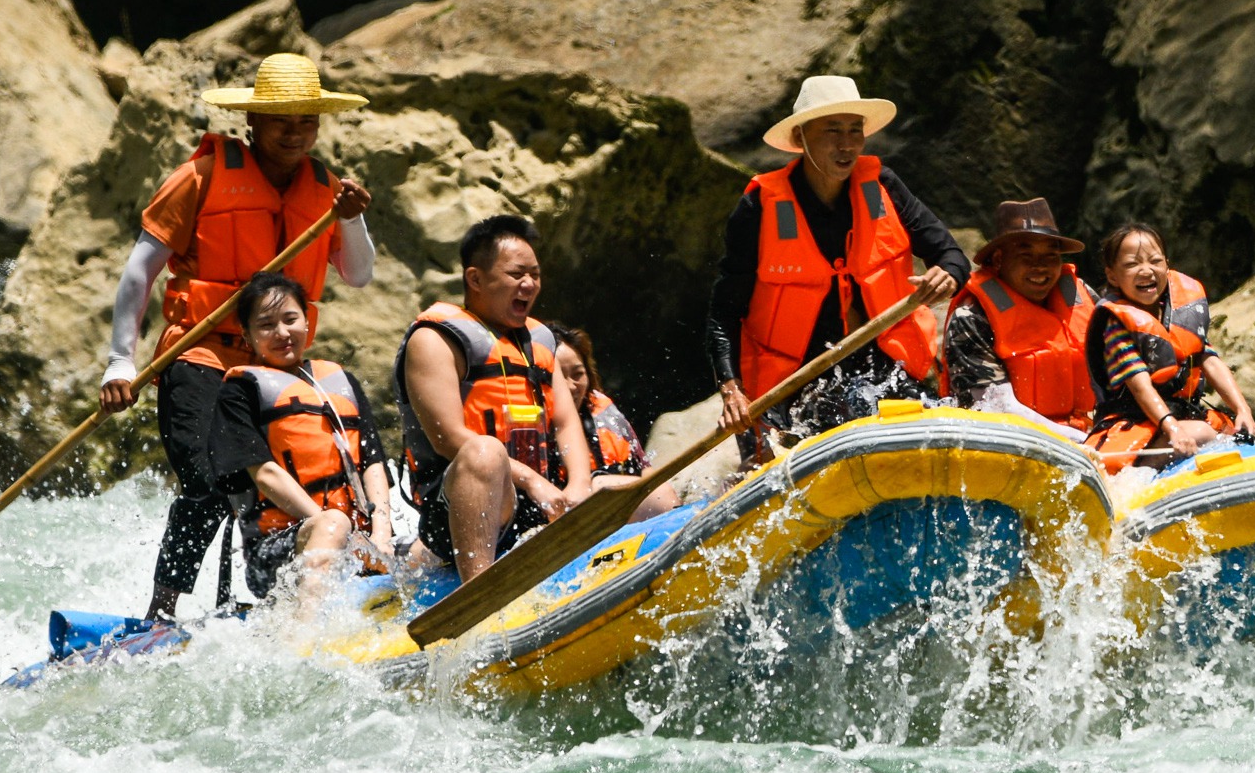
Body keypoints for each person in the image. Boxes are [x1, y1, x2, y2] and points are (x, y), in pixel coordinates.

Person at [99, 51, 374, 622]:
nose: (295, 133)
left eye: (306, 121)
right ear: (252, 122)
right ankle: (161, 613)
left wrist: (350, 218)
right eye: (281, 120)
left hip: (274, 364)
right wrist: (120, 361)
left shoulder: (327, 190)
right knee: (208, 482)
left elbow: (359, 273)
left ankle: (278, 601)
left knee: (282, 483)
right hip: (199, 355)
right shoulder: (201, 176)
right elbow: (138, 271)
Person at [708, 73, 966, 449]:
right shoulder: (757, 208)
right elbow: (723, 313)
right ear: (800, 138)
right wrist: (731, 390)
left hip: (880, 372)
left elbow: (952, 255)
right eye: (832, 131)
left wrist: (947, 276)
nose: (847, 145)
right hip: (789, 387)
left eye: (854, 130)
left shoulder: (884, 186)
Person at [397, 214, 595, 578]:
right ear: (475, 278)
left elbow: (567, 423)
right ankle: (478, 590)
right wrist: (535, 483)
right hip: (458, 506)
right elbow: (449, 439)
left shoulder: (542, 341)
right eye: (517, 274)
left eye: (535, 275)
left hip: (536, 503)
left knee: (644, 494)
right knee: (485, 452)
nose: (530, 284)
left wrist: (579, 486)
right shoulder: (434, 339)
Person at [211, 272, 395, 611]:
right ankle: (305, 641)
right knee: (334, 522)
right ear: (247, 336)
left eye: (290, 320)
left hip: (360, 541)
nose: (282, 333)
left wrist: (381, 533)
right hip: (276, 551)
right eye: (266, 325)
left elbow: (373, 464)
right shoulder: (239, 392)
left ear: (307, 322)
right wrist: (337, 533)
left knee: (419, 552)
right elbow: (265, 474)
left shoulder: (341, 381)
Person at [1082, 221, 1255, 472]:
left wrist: (1243, 410)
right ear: (1112, 275)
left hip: (1181, 415)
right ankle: (1139, 477)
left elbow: (1208, 358)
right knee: (1201, 432)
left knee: (1248, 436)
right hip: (1135, 424)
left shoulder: (1179, 315)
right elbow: (1139, 385)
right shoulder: (1115, 324)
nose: (1146, 270)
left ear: (1167, 265)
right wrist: (1173, 428)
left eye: (1155, 261)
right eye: (1132, 264)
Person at [946, 198, 1097, 434]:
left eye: (1050, 255)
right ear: (998, 260)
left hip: (1085, 432)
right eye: (1025, 255)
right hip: (1010, 441)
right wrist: (1078, 440)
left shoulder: (1082, 295)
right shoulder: (971, 316)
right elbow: (996, 409)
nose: (1040, 267)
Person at [553, 324, 683, 523]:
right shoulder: (532, 428)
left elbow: (644, 470)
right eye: (560, 378)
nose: (571, 386)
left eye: (578, 374)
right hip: (570, 520)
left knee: (661, 494)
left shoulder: (603, 411)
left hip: (625, 518)